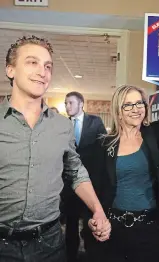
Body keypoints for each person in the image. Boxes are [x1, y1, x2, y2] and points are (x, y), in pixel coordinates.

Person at [0, 35, 110, 262]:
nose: (42, 72)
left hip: (49, 245)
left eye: (47, 66)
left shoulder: (61, 126)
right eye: (32, 62)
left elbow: (75, 171)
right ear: (10, 70)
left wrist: (97, 210)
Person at [84, 32, 159, 262]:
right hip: (112, 229)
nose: (136, 108)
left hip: (147, 229)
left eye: (139, 102)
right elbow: (92, 188)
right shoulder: (103, 145)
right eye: (128, 104)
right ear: (118, 111)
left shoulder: (153, 135)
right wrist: (93, 219)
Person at [62, 91, 106, 262]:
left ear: (81, 104)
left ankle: (90, 253)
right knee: (71, 223)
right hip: (69, 184)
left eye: (70, 103)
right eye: (66, 103)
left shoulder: (95, 122)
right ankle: (71, 255)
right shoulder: (63, 125)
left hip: (91, 182)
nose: (67, 107)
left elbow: (103, 147)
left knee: (89, 221)